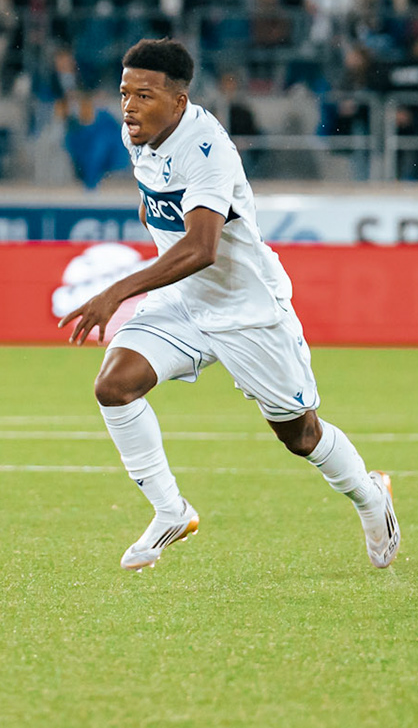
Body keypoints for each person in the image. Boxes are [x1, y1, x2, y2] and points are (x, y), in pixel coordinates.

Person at [59, 39, 400, 571]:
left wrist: (116, 291)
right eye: (125, 93)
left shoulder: (209, 151)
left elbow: (201, 248)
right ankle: (170, 510)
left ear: (178, 100)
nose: (128, 107)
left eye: (143, 96)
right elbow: (160, 211)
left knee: (300, 434)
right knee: (114, 385)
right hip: (184, 302)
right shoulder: (139, 137)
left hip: (247, 309)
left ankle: (370, 496)